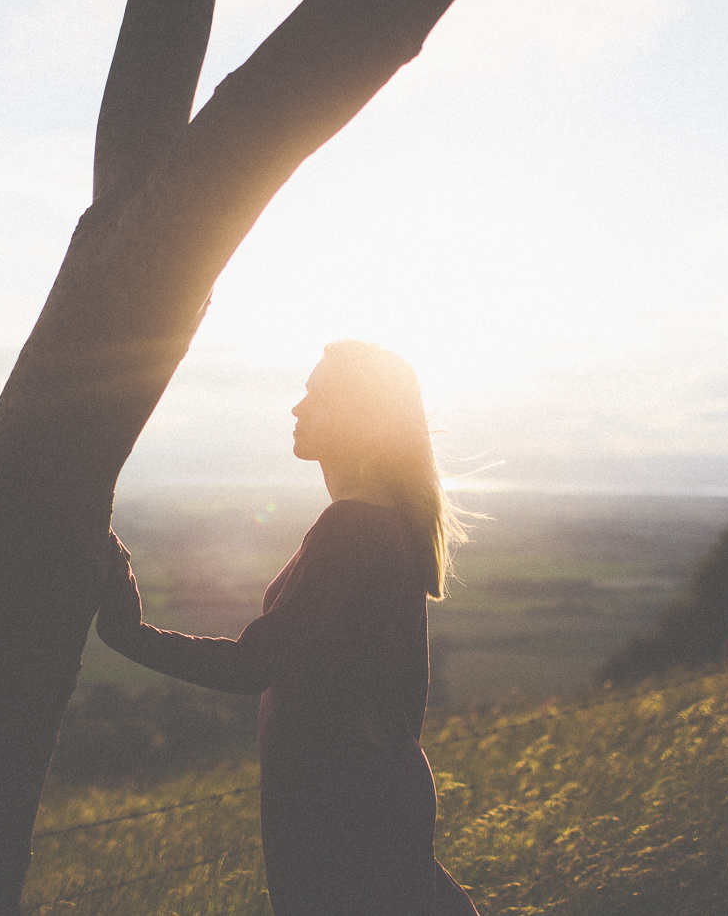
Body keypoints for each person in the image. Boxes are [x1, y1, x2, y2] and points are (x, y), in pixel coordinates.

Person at [94, 339, 480, 916]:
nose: (297, 409)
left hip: (337, 809)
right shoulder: (379, 524)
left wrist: (130, 634)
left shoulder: (352, 527)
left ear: (365, 421)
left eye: (318, 396)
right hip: (362, 798)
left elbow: (255, 664)